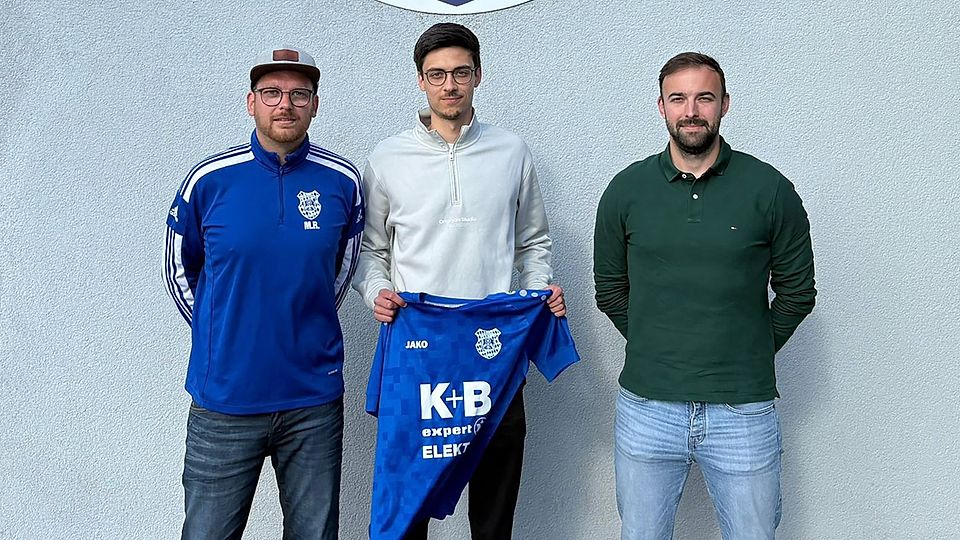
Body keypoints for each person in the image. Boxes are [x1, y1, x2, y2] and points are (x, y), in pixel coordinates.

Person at [352, 22, 565, 540]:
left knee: (493, 511)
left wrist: (538, 290)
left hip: (494, 354)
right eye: (437, 74)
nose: (450, 85)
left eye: (460, 73)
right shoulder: (387, 158)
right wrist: (375, 291)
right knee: (411, 505)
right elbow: (372, 251)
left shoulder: (511, 151)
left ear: (478, 76)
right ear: (420, 81)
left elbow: (533, 242)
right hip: (417, 354)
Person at [593, 52, 816, 540]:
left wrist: (745, 347)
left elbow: (798, 293)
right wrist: (658, 341)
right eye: (679, 98)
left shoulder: (770, 189)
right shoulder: (626, 191)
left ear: (724, 105)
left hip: (744, 412)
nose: (691, 109)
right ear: (661, 107)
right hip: (648, 408)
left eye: (704, 97)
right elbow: (610, 290)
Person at [163, 47, 363, 540]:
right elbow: (178, 271)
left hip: (312, 402)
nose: (285, 104)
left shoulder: (344, 181)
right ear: (250, 102)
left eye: (299, 94)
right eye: (272, 93)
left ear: (316, 105)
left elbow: (339, 273)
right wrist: (225, 331)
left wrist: (300, 328)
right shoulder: (208, 180)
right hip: (225, 400)